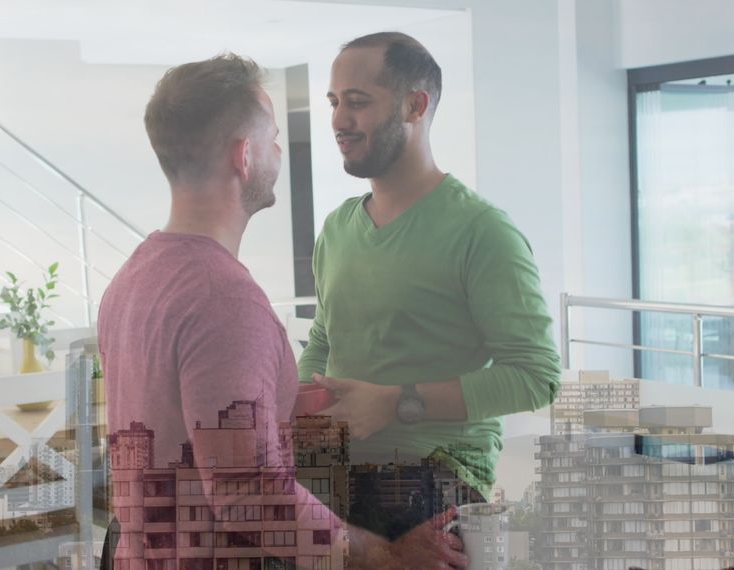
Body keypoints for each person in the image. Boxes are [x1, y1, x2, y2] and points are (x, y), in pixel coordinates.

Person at [97, 53, 467, 569]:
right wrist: (386, 555)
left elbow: (185, 429)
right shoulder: (223, 299)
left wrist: (284, 403)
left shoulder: (134, 277)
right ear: (243, 157)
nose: (278, 150)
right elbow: (249, 495)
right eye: (273, 137)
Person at [300, 32, 563, 537]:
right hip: (338, 465)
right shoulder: (336, 229)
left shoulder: (482, 231)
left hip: (435, 474)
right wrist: (302, 403)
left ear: (414, 106)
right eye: (334, 103)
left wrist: (396, 402)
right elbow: (325, 341)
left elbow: (537, 376)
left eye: (357, 102)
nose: (338, 121)